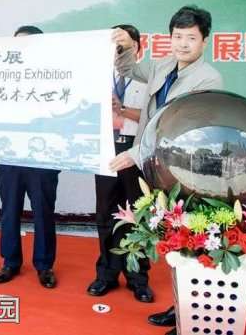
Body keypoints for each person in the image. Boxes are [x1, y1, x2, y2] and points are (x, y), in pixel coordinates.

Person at [110, 6, 223, 335]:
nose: (183, 44)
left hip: (184, 171)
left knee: (190, 240)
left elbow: (178, 125)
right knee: (172, 239)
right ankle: (180, 309)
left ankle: (192, 314)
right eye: (177, 36)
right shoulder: (162, 65)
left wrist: (135, 153)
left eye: (191, 38)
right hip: (156, 167)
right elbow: (129, 68)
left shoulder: (208, 78)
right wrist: (124, 46)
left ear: (204, 41)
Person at [88, 24, 154, 303]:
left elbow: (154, 117)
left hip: (135, 151)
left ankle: (138, 278)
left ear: (137, 46)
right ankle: (106, 274)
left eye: (122, 44)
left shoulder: (150, 76)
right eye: (113, 45)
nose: (116, 50)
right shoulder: (98, 76)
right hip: (105, 150)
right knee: (106, 214)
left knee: (137, 215)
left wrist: (122, 110)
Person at [0, 25, 59, 289]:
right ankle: (10, 262)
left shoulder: (56, 77)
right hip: (10, 157)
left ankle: (44, 265)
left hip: (43, 159)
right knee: (9, 211)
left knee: (43, 212)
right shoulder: (2, 77)